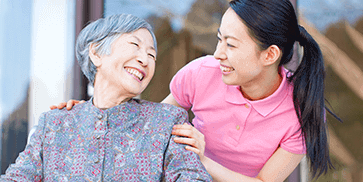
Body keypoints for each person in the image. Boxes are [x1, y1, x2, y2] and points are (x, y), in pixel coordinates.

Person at [52, 0, 341, 181]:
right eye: (219, 39)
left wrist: (203, 159)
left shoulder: (302, 111)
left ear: (269, 55)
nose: (217, 54)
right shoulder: (201, 73)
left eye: (230, 44)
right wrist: (89, 116)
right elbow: (147, 127)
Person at [1, 14, 212, 181]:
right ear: (96, 53)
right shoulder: (54, 124)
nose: (144, 60)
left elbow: (192, 177)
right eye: (135, 45)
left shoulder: (167, 122)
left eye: (151, 55)